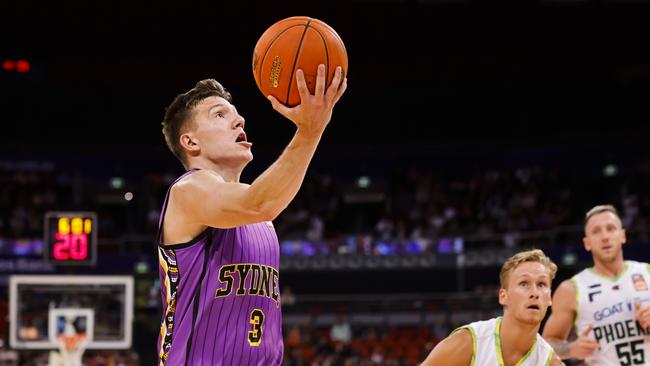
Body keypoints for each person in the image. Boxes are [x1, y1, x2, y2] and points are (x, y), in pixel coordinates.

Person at [156, 64, 347, 365]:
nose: (238, 119)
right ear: (190, 142)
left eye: (235, 113)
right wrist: (310, 131)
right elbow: (260, 202)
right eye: (219, 114)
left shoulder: (262, 220)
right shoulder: (188, 191)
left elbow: (261, 202)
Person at [542, 204, 650, 365]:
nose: (605, 236)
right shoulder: (571, 289)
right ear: (587, 243)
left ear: (623, 235)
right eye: (596, 231)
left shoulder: (647, 273)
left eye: (611, 228)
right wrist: (570, 349)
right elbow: (546, 344)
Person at [421, 249, 565, 366]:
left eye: (541, 285)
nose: (534, 293)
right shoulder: (468, 343)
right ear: (503, 296)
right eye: (524, 284)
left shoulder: (550, 362)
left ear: (550, 298)